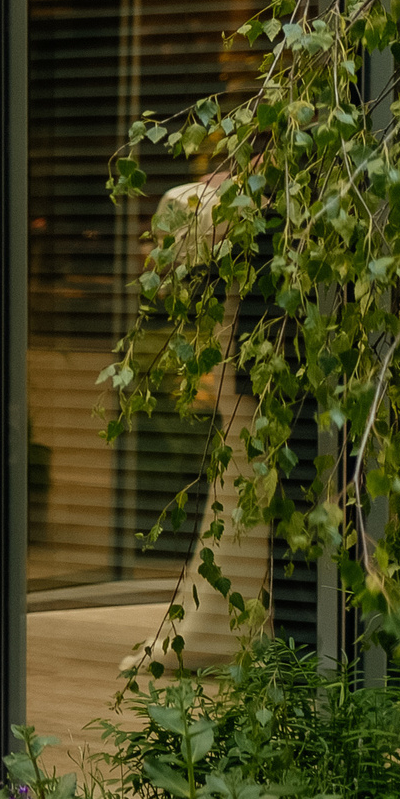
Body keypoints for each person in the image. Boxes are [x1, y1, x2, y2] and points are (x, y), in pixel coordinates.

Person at [122, 168, 271, 672]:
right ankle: (228, 625)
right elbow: (171, 255)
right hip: (251, 354)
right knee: (242, 479)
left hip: (279, 354)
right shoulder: (212, 200)